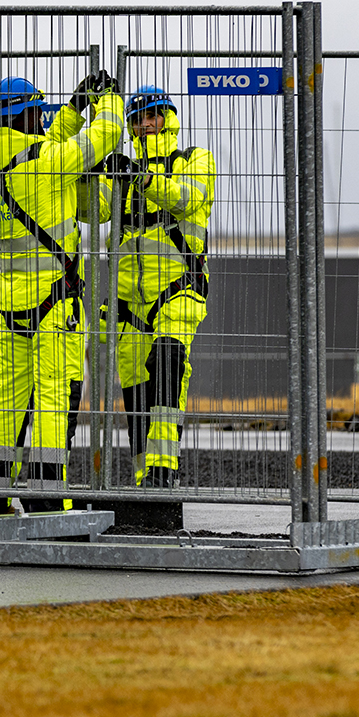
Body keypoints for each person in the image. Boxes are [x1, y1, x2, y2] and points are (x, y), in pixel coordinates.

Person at [0, 70, 122, 516]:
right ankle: (45, 500)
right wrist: (107, 101)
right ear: (24, 116)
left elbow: (45, 145)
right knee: (54, 393)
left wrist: (74, 106)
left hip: (12, 302)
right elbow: (106, 135)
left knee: (8, 396)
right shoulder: (48, 163)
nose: (43, 120)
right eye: (37, 114)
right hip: (54, 303)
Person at [106, 85, 217, 488]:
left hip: (178, 287)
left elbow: (188, 198)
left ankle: (162, 472)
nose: (146, 125)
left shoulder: (194, 159)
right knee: (135, 390)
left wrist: (144, 178)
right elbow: (92, 208)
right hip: (129, 303)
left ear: (168, 118)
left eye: (153, 115)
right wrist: (91, 168)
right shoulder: (123, 172)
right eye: (138, 118)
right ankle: (142, 479)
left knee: (168, 364)